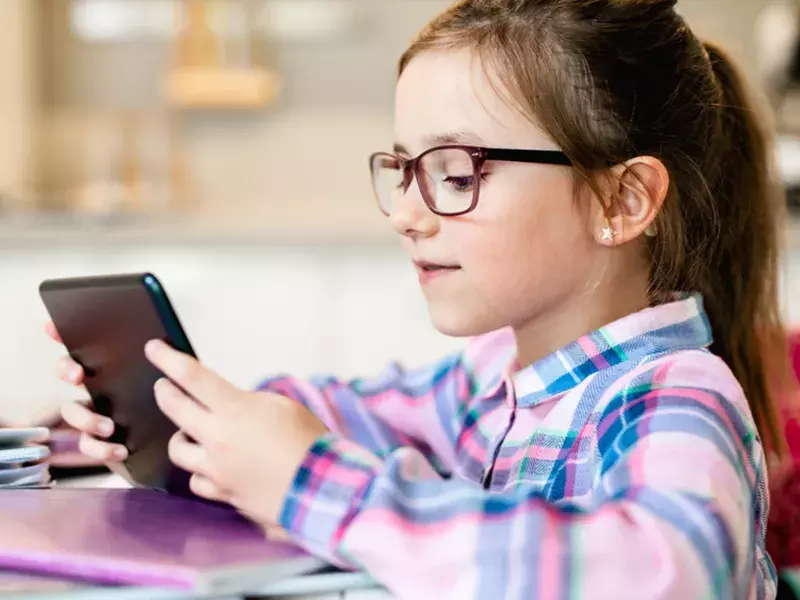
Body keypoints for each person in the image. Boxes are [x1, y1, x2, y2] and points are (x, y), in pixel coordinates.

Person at [50, 0, 793, 598]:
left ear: (621, 200)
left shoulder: (673, 394)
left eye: (457, 173)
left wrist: (314, 484)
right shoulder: (490, 377)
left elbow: (664, 573)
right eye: (405, 169)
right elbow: (341, 411)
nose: (406, 214)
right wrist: (194, 418)